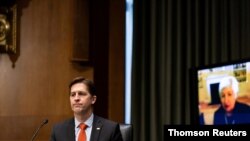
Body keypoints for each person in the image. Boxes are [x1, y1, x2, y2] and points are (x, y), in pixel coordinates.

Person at [50, 76, 123, 141]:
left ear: (93, 99)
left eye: (81, 94)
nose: (76, 98)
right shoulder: (58, 131)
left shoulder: (110, 129)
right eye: (73, 95)